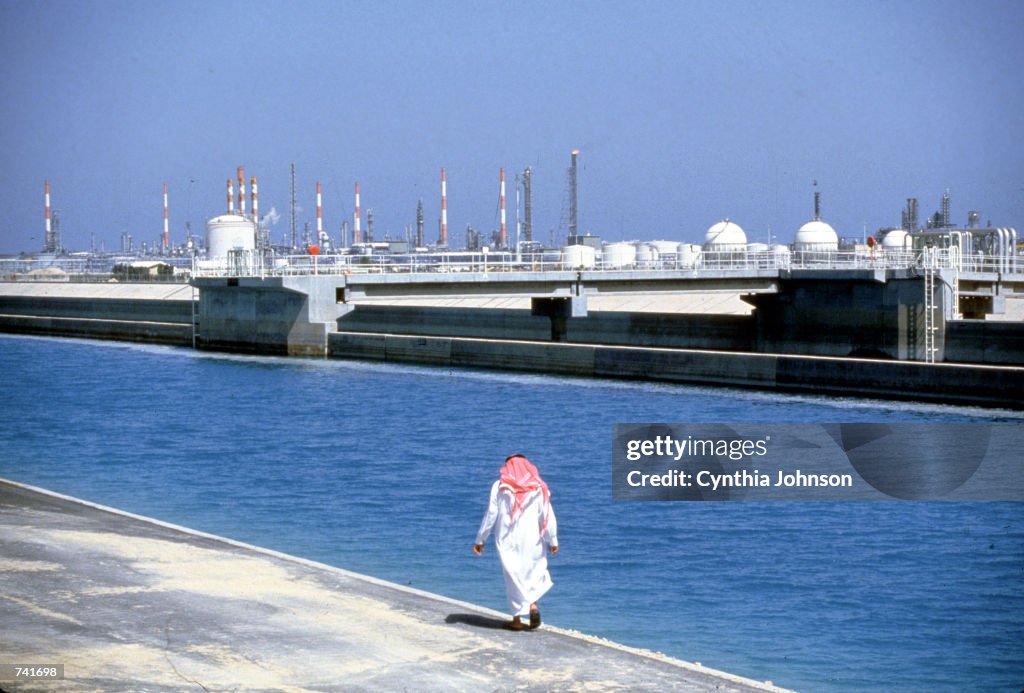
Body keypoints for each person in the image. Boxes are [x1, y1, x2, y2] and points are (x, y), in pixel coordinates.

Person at [473, 454, 559, 631]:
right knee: (532, 571)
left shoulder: (500, 486)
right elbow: (547, 515)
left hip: (507, 538)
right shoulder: (538, 486)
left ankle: (517, 619)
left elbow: (491, 514)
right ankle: (533, 605)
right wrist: (553, 539)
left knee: (513, 576)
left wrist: (480, 539)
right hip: (532, 538)